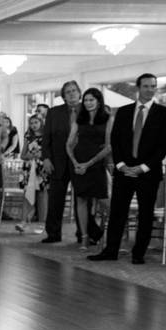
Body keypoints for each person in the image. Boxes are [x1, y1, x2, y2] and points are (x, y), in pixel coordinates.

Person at [89, 73, 166, 264]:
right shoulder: (123, 111)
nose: (150, 89)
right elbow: (116, 141)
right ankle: (111, 251)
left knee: (145, 214)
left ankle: (138, 253)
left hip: (148, 173)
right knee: (117, 212)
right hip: (123, 171)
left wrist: (142, 167)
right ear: (138, 88)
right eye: (146, 86)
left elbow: (164, 145)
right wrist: (120, 165)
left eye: (153, 86)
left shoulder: (164, 113)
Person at [42, 81, 98, 243]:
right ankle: (53, 234)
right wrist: (46, 158)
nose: (72, 94)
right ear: (63, 96)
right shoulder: (54, 113)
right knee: (55, 200)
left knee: (82, 199)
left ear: (80, 93)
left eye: (74, 91)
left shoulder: (89, 110)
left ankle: (84, 234)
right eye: (68, 92)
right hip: (57, 162)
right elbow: (47, 138)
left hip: (81, 162)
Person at [65, 88, 111, 250]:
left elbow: (109, 146)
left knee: (106, 201)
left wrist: (89, 163)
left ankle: (107, 237)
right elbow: (69, 144)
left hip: (96, 163)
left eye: (92, 100)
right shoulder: (79, 119)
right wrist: (75, 161)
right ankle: (84, 238)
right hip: (78, 164)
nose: (88, 103)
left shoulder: (107, 119)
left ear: (99, 101)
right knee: (81, 200)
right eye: (86, 100)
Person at [16, 114, 48, 234]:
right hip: (29, 167)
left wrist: (42, 155)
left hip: (41, 167)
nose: (34, 125)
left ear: (41, 123)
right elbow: (22, 155)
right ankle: (23, 221)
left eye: (36, 122)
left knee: (42, 195)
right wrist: (28, 156)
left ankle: (42, 223)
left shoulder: (46, 136)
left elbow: (50, 152)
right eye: (32, 123)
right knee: (27, 194)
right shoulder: (28, 136)